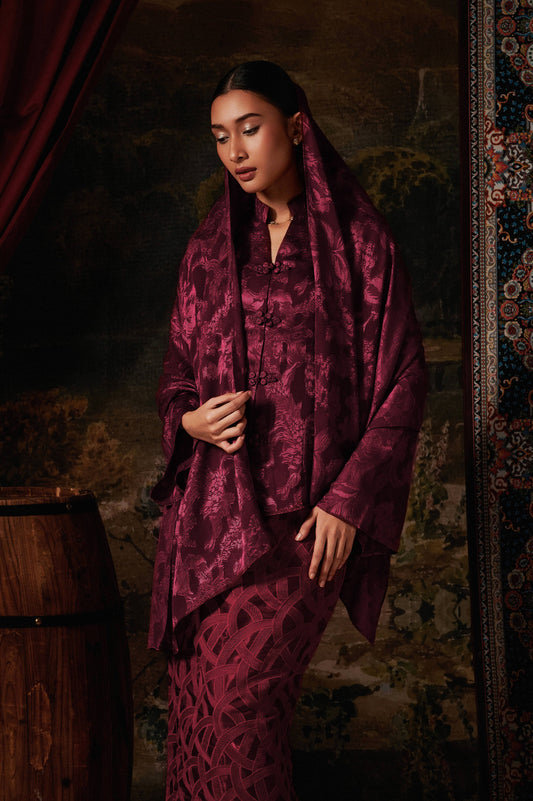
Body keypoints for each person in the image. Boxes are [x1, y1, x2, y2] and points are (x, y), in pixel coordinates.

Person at [149, 61, 427, 801]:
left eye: (250, 128)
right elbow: (177, 367)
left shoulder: (361, 245)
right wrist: (189, 418)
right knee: (200, 709)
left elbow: (404, 380)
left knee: (246, 709)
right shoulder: (211, 248)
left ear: (297, 127)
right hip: (212, 519)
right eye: (220, 136)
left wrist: (347, 501)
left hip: (307, 524)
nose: (235, 151)